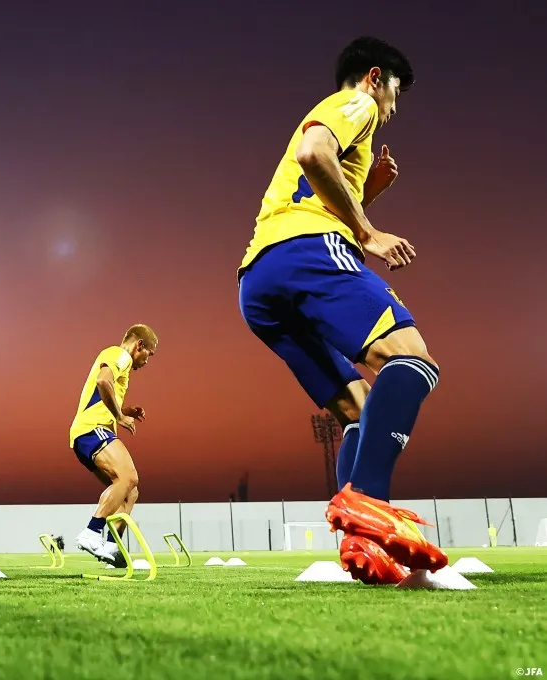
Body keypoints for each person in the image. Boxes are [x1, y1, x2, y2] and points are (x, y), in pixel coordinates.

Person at [237, 36, 446, 584]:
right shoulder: (357, 103)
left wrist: (367, 190)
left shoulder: (353, 133)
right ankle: (371, 506)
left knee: (358, 409)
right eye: (395, 92)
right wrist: (369, 231)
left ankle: (363, 544)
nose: (394, 109)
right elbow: (312, 154)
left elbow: (311, 186)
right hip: (306, 250)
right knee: (413, 360)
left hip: (260, 281)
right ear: (375, 78)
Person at [69, 324, 157, 566]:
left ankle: (110, 549)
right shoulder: (120, 355)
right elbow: (103, 382)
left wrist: (125, 409)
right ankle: (91, 532)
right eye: (150, 353)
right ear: (139, 345)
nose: (148, 361)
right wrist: (119, 416)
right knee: (128, 477)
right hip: (91, 429)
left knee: (130, 492)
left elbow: (103, 395)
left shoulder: (121, 364)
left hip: (88, 434)